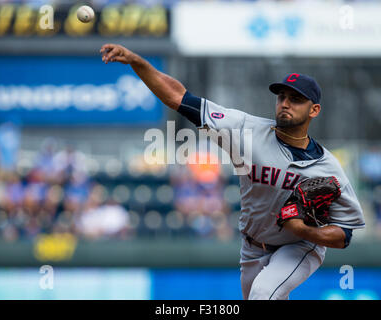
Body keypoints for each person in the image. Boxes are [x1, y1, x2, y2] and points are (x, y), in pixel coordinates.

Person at [100, 44, 365, 300]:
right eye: (282, 96)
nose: (285, 103)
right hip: (251, 247)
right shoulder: (245, 132)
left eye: (296, 99)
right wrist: (137, 61)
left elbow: (345, 235)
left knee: (264, 293)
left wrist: (304, 231)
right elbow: (179, 98)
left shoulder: (328, 169)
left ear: (314, 110)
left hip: (299, 247)